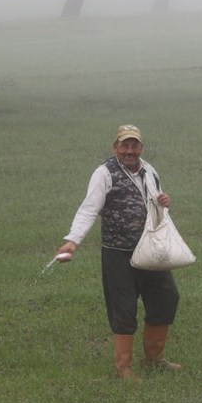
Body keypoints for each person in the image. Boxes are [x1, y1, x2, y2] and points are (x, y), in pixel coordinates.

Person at [56, 124, 182, 380]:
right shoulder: (104, 173)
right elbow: (89, 209)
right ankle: (124, 368)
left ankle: (154, 359)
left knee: (167, 298)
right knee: (123, 309)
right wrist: (73, 241)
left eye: (134, 145)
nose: (130, 150)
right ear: (115, 147)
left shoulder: (149, 170)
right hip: (118, 255)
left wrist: (163, 202)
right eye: (125, 145)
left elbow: (156, 205)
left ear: (141, 148)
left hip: (151, 251)